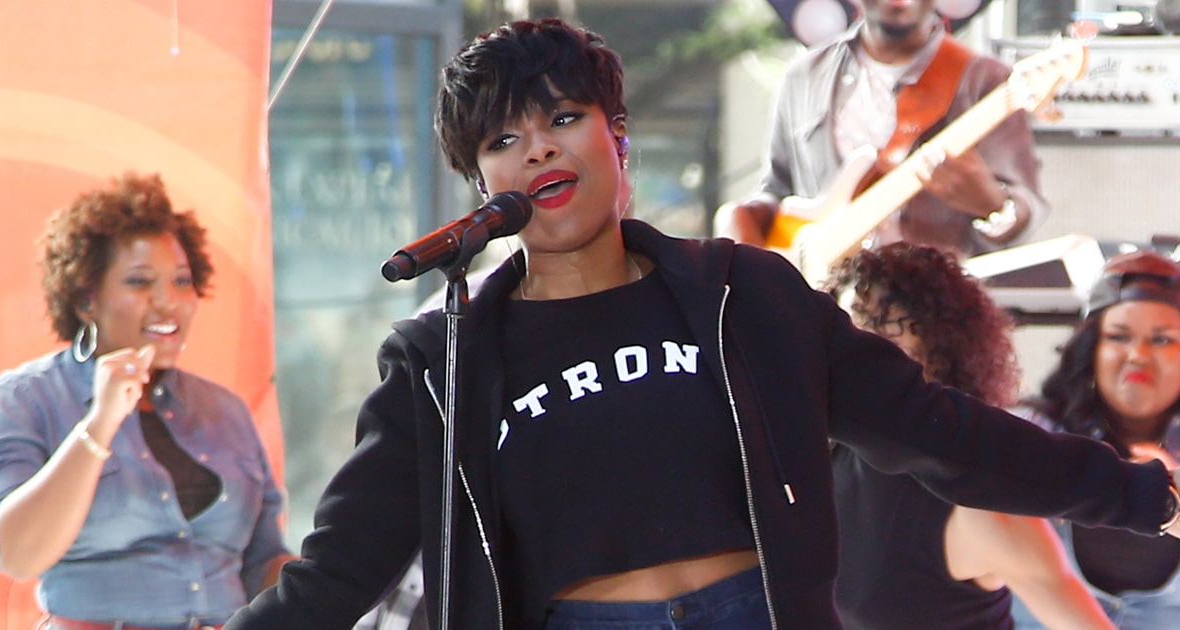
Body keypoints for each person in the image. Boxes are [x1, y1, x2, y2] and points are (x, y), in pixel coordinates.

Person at [226, 18, 1180, 630]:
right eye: (503, 140)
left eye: (562, 117)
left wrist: (1141, 495)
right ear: (484, 186)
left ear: (617, 134)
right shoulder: (444, 357)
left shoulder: (746, 296)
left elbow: (937, 431)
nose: (539, 148)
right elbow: (338, 571)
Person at [0, 173, 296, 629]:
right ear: (87, 298)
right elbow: (16, 553)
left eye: (182, 281)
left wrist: (346, 572)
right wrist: (100, 423)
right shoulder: (26, 399)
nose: (168, 302)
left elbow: (261, 563)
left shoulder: (225, 410)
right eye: (140, 281)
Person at [824, 243, 1113, 629]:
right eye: (846, 338)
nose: (859, 361)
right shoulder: (812, 461)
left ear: (943, 353)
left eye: (886, 342)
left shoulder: (981, 502)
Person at [714, 0, 1047, 258]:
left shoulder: (985, 80)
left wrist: (996, 207)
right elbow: (779, 188)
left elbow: (1026, 208)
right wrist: (743, 220)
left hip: (934, 315)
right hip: (821, 312)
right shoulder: (804, 76)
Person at [1009, 249, 1180, 629]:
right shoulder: (1027, 432)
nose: (1138, 355)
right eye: (1119, 337)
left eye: (1163, 340)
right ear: (1091, 350)